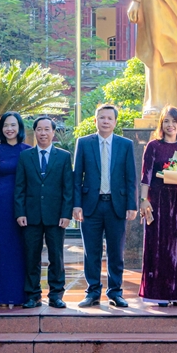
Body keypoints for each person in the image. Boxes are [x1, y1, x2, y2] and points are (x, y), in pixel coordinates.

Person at [73, 104, 138, 308]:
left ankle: (115, 292)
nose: (106, 121)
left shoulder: (125, 145)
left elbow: (131, 178)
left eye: (110, 118)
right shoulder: (84, 143)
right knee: (91, 251)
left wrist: (132, 205)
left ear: (115, 122)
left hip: (116, 206)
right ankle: (92, 292)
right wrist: (76, 205)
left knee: (116, 252)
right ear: (96, 121)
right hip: (90, 206)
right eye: (102, 118)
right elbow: (77, 177)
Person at [14, 116, 73, 309]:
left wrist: (66, 214)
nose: (43, 133)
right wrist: (20, 212)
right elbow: (20, 187)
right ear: (35, 131)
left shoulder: (63, 156)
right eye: (39, 129)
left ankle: (56, 294)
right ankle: (33, 295)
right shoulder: (25, 156)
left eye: (47, 129)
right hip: (30, 215)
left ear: (53, 132)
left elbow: (68, 188)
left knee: (56, 256)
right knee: (32, 256)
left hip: (56, 216)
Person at [138, 105, 177, 306]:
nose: (170, 125)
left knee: (176, 245)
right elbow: (146, 176)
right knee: (157, 244)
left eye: (174, 121)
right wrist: (144, 201)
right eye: (166, 121)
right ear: (161, 124)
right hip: (157, 199)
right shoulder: (153, 146)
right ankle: (159, 292)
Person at [0, 112, 31, 307]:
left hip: (24, 206)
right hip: (1, 206)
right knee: (1, 250)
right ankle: (2, 297)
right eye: (6, 125)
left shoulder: (28, 150)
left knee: (21, 250)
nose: (9, 129)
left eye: (13, 125)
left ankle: (20, 295)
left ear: (19, 127)